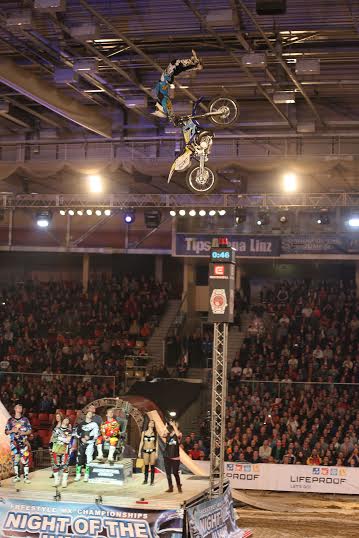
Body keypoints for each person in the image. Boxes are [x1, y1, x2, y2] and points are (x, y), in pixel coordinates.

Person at [153, 50, 202, 120]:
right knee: (176, 65)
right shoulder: (162, 97)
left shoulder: (161, 96)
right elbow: (167, 104)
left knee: (177, 67)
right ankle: (194, 63)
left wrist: (171, 116)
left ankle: (195, 64)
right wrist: (171, 116)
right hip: (167, 77)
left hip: (167, 77)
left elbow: (167, 103)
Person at [5, 403, 32, 484]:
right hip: (14, 443)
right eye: (18, 407)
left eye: (21, 407)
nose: (20, 408)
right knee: (15, 460)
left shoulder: (25, 420)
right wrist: (12, 431)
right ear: (15, 409)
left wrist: (22, 433)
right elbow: (6, 432)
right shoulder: (10, 420)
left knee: (25, 460)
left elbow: (30, 431)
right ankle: (17, 476)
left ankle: (26, 477)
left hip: (23, 443)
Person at [74, 410, 99, 482]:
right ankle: (78, 475)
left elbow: (96, 435)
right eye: (89, 413)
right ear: (86, 415)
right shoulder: (81, 424)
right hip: (82, 444)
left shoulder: (94, 424)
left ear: (92, 416)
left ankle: (87, 475)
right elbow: (77, 433)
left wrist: (90, 438)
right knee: (79, 459)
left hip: (90, 444)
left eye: (91, 413)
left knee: (89, 459)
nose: (90, 414)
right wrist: (81, 438)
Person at [50, 416, 72, 488]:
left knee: (65, 465)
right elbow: (53, 438)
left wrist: (59, 438)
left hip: (65, 450)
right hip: (56, 449)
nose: (66, 421)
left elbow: (68, 440)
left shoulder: (69, 431)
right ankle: (56, 481)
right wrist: (63, 438)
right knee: (55, 465)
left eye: (67, 420)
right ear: (62, 420)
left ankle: (64, 481)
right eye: (65, 419)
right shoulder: (56, 429)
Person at [162, 419, 182, 493]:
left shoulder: (179, 434)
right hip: (167, 456)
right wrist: (165, 427)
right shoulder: (168, 434)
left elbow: (177, 435)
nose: (173, 424)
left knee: (175, 472)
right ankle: (170, 487)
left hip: (175, 457)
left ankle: (179, 486)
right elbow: (162, 435)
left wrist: (173, 425)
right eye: (173, 423)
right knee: (168, 473)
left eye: (175, 423)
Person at [138, 416, 158, 486]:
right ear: (148, 424)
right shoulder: (144, 432)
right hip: (145, 450)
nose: (151, 424)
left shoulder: (155, 433)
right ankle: (145, 480)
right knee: (146, 466)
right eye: (150, 422)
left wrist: (157, 453)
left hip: (153, 450)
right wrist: (139, 451)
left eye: (153, 423)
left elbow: (157, 443)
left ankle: (152, 481)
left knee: (152, 465)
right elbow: (141, 442)